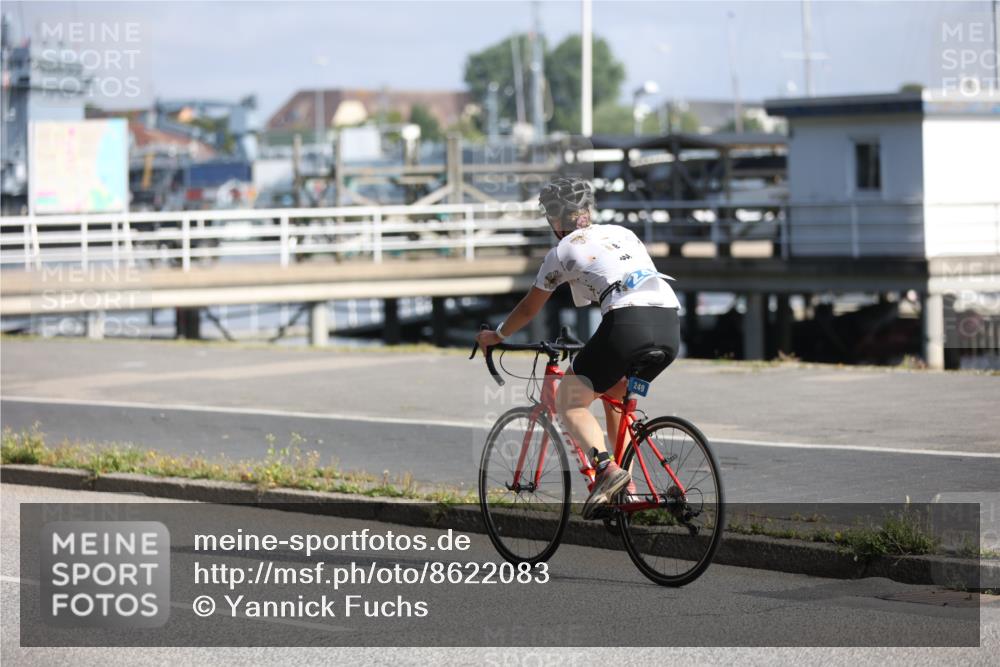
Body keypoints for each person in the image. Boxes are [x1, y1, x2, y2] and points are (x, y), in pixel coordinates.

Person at [476, 177, 681, 519]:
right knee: (615, 395)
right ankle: (625, 494)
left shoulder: (561, 251)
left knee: (569, 401)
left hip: (626, 324)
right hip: (669, 325)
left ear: (554, 220)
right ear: (588, 210)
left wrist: (496, 335)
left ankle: (607, 470)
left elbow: (528, 309)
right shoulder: (622, 233)